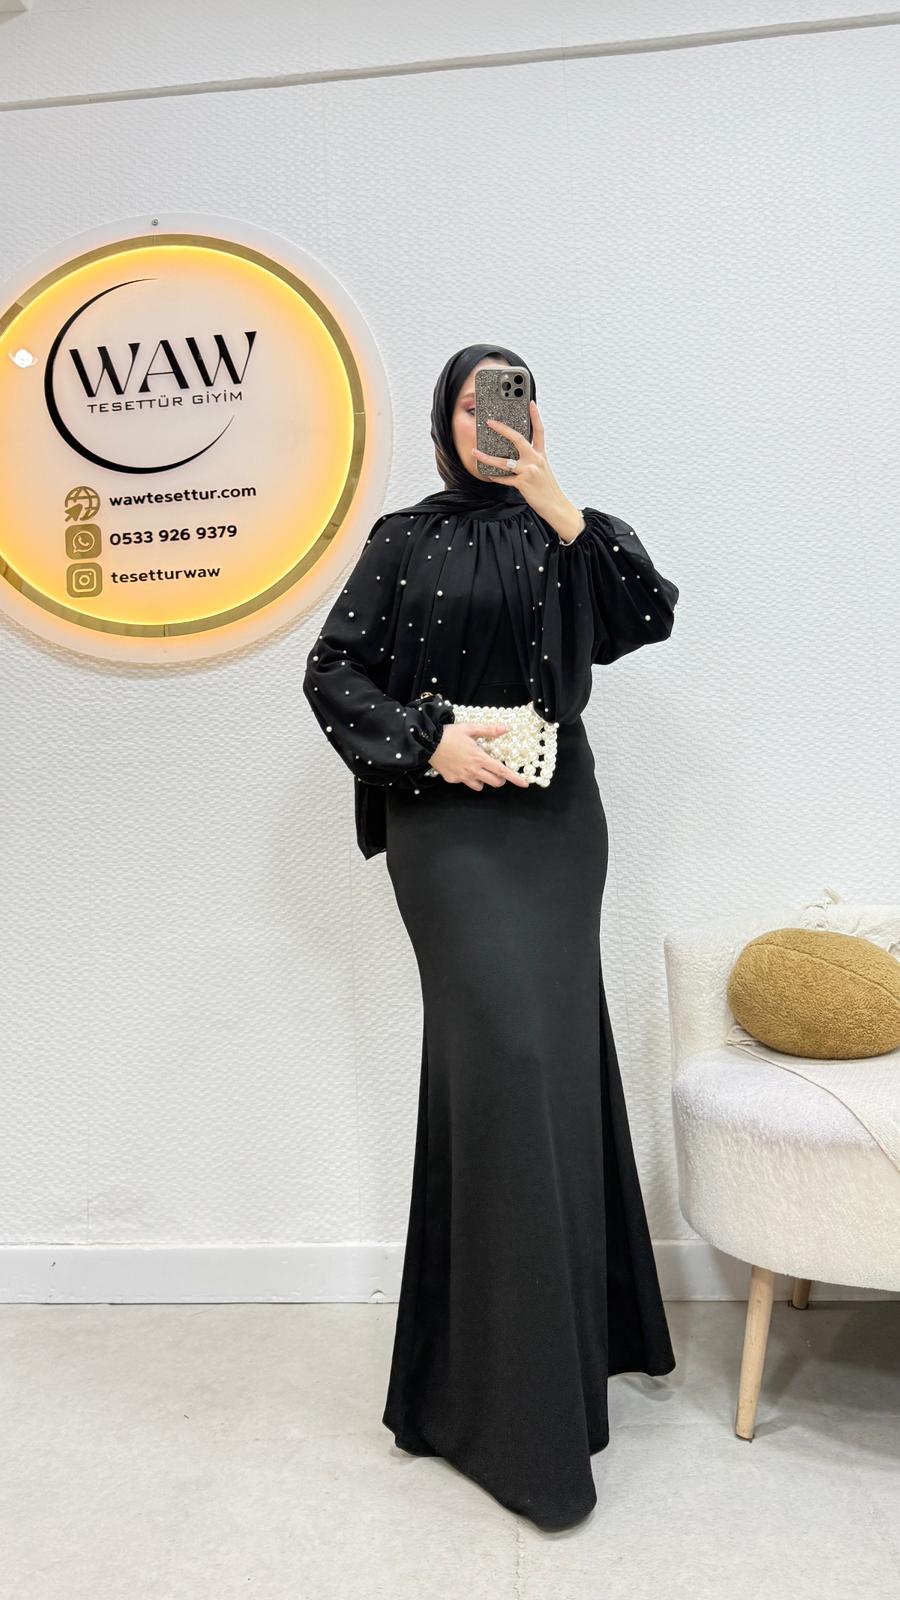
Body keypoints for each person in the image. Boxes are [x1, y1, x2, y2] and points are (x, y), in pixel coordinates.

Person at [302, 342, 680, 1530]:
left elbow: (648, 613)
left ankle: (562, 1364)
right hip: (446, 828)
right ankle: (503, 1412)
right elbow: (332, 670)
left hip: (559, 828)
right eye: (474, 399)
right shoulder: (403, 540)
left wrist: (560, 503)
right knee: (508, 1061)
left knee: (548, 1064)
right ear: (443, 419)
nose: (493, 416)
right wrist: (429, 741)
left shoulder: (569, 534)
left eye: (513, 397)